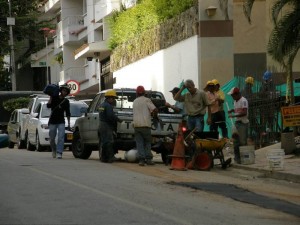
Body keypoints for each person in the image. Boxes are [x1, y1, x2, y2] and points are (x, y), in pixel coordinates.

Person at [133, 85, 158, 166]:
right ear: (144, 92)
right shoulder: (147, 100)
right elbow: (155, 109)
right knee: (147, 142)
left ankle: (141, 160)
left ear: (137, 93)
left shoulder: (135, 101)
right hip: (146, 125)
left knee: (139, 143)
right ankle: (149, 159)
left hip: (137, 125)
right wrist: (154, 115)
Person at [47, 83, 71, 159]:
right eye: (63, 90)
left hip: (61, 121)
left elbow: (68, 112)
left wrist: (69, 123)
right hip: (52, 121)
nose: (64, 92)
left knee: (61, 137)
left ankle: (59, 152)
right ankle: (54, 149)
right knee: (52, 138)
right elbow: (48, 106)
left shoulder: (66, 101)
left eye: (66, 91)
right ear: (60, 91)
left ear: (67, 93)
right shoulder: (54, 97)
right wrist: (50, 97)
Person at [98, 89, 122, 163]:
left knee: (104, 142)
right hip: (106, 125)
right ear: (109, 97)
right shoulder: (108, 106)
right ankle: (110, 158)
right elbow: (110, 116)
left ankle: (103, 158)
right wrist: (118, 120)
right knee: (109, 141)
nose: (114, 100)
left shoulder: (102, 105)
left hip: (101, 124)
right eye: (113, 98)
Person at [227, 87, 249, 164]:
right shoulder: (235, 101)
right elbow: (237, 110)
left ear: (236, 94)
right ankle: (237, 158)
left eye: (232, 95)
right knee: (236, 141)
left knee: (242, 142)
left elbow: (244, 112)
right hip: (237, 123)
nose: (232, 97)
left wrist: (233, 116)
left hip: (243, 123)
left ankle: (244, 158)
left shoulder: (243, 101)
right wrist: (232, 110)